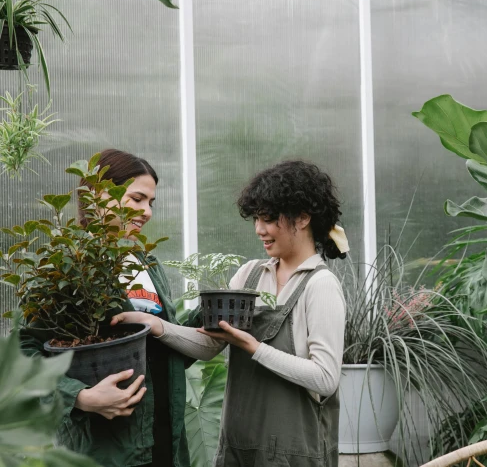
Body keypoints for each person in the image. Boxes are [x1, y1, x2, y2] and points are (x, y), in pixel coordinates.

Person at [114, 160, 348, 467]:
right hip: (239, 448)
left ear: (302, 218)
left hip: (295, 454)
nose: (259, 230)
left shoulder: (320, 284)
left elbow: (325, 378)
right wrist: (156, 325)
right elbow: (210, 345)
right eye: (255, 219)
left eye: (268, 219)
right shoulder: (250, 275)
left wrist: (252, 347)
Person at [19, 149, 193, 467]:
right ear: (100, 195)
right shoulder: (70, 264)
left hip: (165, 444)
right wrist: (81, 397)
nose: (147, 211)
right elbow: (25, 351)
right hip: (106, 451)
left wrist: (210, 319)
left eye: (151, 203)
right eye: (137, 198)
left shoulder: (147, 263)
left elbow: (161, 351)